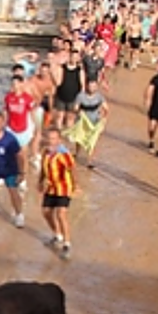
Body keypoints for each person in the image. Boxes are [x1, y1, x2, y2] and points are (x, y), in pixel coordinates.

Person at [39, 129, 77, 260]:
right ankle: (57, 234)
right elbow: (43, 169)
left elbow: (72, 171)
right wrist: (40, 181)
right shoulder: (45, 152)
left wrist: (75, 186)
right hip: (50, 187)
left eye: (54, 139)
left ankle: (67, 244)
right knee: (46, 212)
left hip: (64, 188)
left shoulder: (64, 155)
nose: (51, 141)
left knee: (61, 213)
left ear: (59, 140)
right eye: (49, 138)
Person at [65, 79, 109, 169]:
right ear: (86, 86)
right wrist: (78, 112)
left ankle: (90, 161)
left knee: (92, 142)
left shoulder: (99, 97)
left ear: (97, 87)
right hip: (82, 122)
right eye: (90, 86)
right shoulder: (80, 96)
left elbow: (106, 108)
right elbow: (75, 108)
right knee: (79, 139)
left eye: (94, 86)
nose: (92, 88)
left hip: (94, 123)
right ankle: (77, 154)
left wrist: (103, 118)